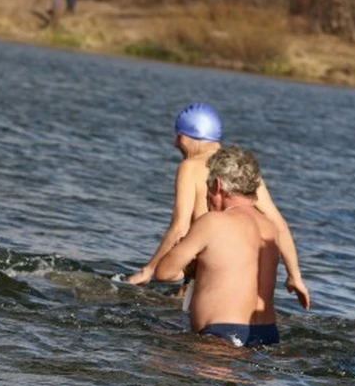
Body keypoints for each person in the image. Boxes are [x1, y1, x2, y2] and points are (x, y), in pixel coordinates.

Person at [127, 102, 310, 311]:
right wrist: (294, 276)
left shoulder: (190, 167)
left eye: (179, 135)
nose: (176, 143)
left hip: (202, 277)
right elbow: (279, 225)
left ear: (191, 135)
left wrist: (148, 270)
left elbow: (180, 227)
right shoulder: (240, 170)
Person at [153, 145, 281, 347]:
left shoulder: (213, 221)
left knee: (154, 358)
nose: (206, 197)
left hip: (223, 336)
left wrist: (187, 263)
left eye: (207, 186)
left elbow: (163, 273)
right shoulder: (271, 228)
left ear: (217, 185)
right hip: (268, 334)